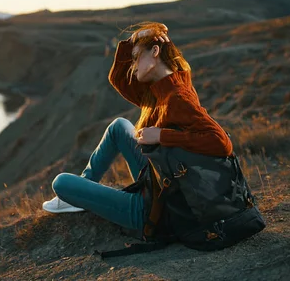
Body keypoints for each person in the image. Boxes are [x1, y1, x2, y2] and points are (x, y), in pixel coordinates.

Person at [42, 21, 233, 233]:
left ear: (155, 51)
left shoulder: (178, 97)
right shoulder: (162, 89)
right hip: (158, 182)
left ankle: (76, 195)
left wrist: (161, 135)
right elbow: (118, 80)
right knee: (119, 126)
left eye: (136, 57)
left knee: (61, 183)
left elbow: (221, 142)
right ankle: (80, 192)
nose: (133, 65)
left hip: (155, 211)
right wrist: (133, 40)